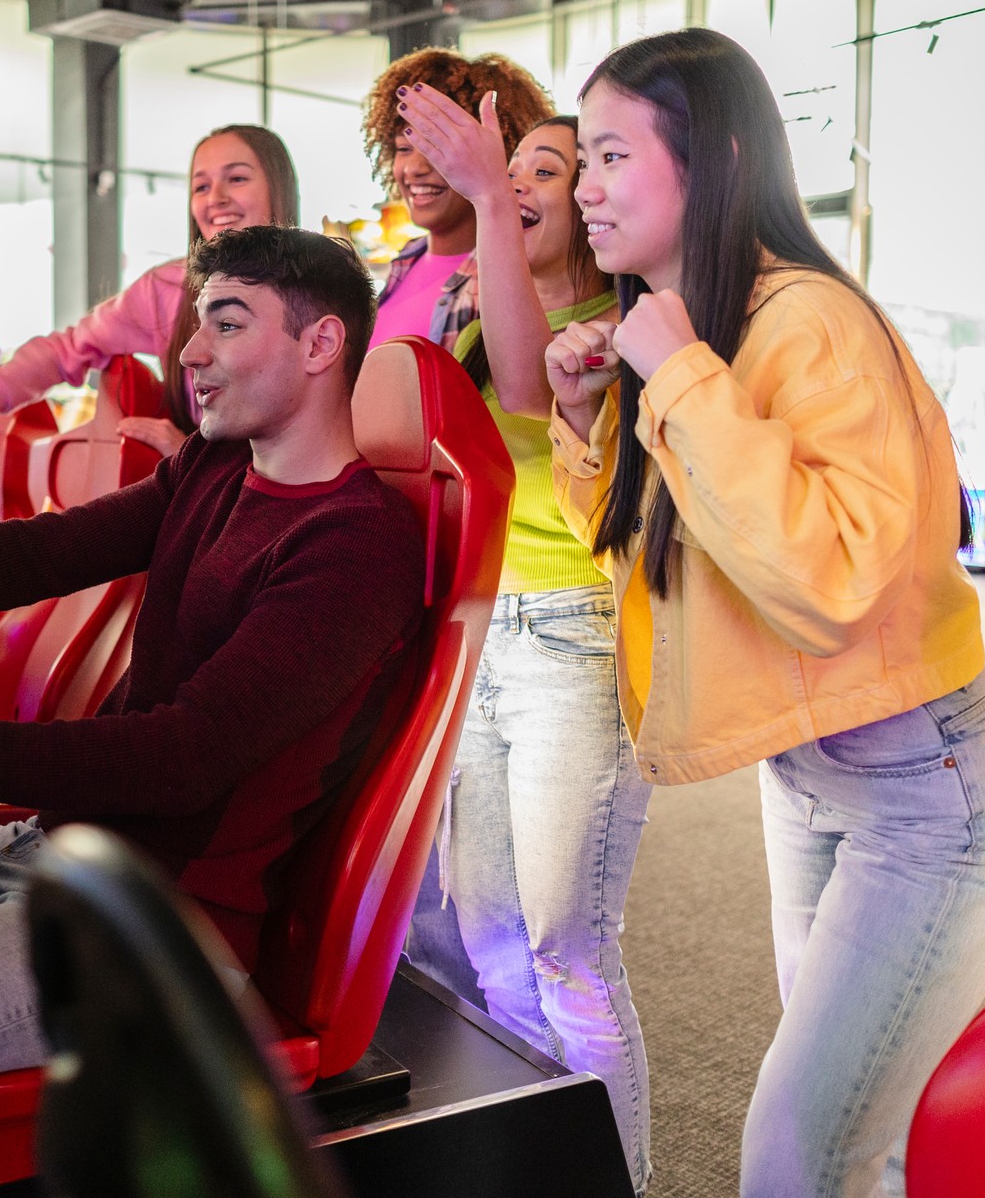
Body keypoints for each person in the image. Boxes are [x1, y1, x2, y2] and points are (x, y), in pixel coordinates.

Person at [0, 226, 425, 1089]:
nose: (191, 355)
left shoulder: (356, 544)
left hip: (157, 927)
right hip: (52, 849)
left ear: (323, 343)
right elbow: (40, 553)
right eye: (197, 324)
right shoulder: (213, 465)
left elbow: (183, 756)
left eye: (229, 325)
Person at [544, 28, 985, 1198]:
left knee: (795, 1154)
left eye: (611, 156)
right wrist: (589, 426)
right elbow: (671, 554)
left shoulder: (805, 320)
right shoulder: (703, 324)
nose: (586, 190)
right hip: (815, 771)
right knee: (850, 1139)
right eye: (584, 162)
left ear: (712, 157)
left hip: (929, 793)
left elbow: (825, 580)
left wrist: (674, 377)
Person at [393, 84, 652, 1194]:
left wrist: (487, 198)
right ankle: (538, 1171)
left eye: (554, 170)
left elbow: (520, 372)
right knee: (492, 951)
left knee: (569, 954)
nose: (536, 186)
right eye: (528, 167)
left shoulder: (616, 329)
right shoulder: (458, 304)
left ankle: (620, 1181)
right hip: (481, 640)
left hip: (578, 644)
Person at [0, 124, 299, 458]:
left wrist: (187, 456)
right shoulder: (167, 291)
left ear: (277, 186)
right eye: (201, 186)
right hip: (207, 509)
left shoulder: (324, 289)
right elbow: (67, 349)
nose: (215, 197)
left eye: (236, 179)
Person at [359, 48, 552, 351]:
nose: (414, 169)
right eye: (403, 149)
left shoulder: (507, 278)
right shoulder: (407, 259)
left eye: (435, 149)